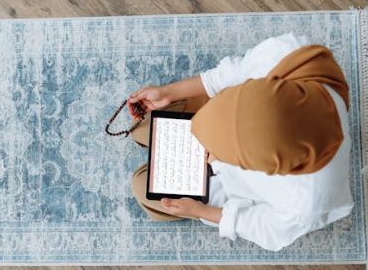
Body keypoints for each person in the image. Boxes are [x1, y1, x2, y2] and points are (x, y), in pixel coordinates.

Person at [127, 32, 354, 252]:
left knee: (141, 186)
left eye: (219, 152)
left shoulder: (308, 204)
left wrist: (201, 211)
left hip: (232, 186)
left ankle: (215, 140)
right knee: (142, 127)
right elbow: (230, 74)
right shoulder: (290, 56)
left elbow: (265, 226)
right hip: (228, 124)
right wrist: (168, 93)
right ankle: (212, 123)